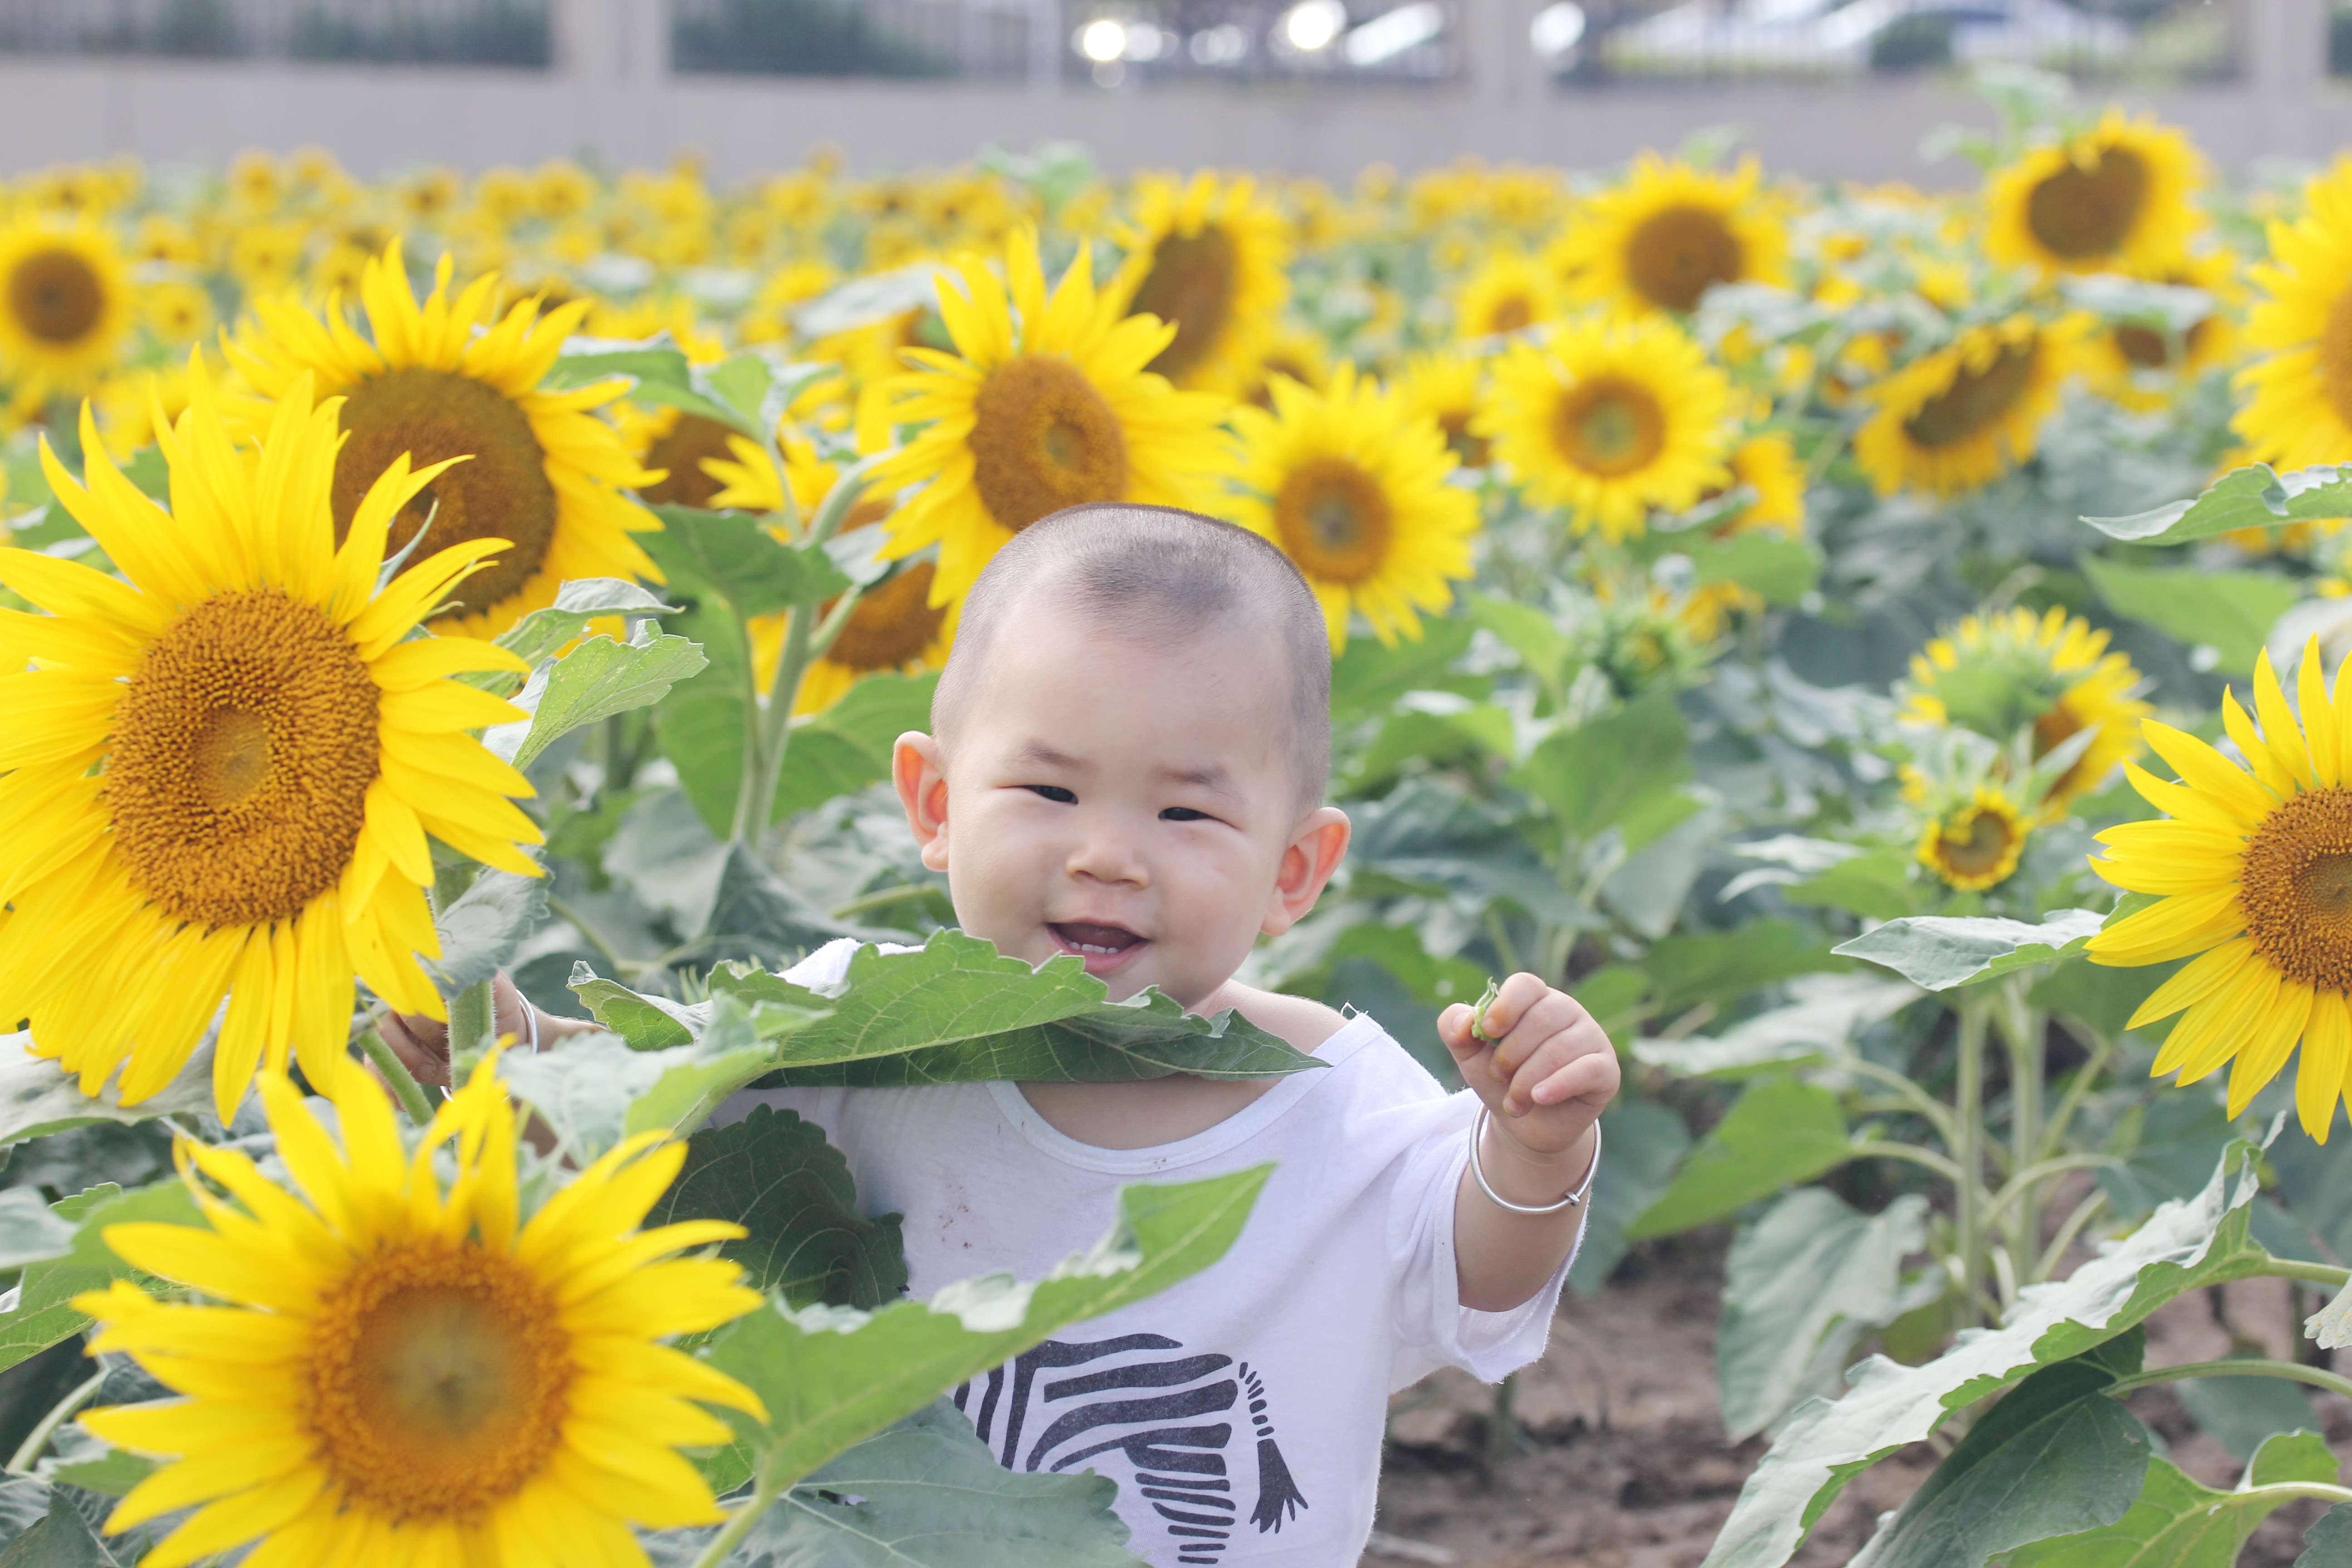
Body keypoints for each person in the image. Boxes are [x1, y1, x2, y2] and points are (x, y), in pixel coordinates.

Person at [382, 503, 1618, 1564]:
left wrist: (1534, 1154)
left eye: (1186, 810)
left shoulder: (1340, 1104)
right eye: (1048, 791)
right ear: (933, 801)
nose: (1107, 854)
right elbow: (648, 1148)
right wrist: (525, 1056)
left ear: (1296, 870)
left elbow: (1481, 1278)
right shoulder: (856, 1027)